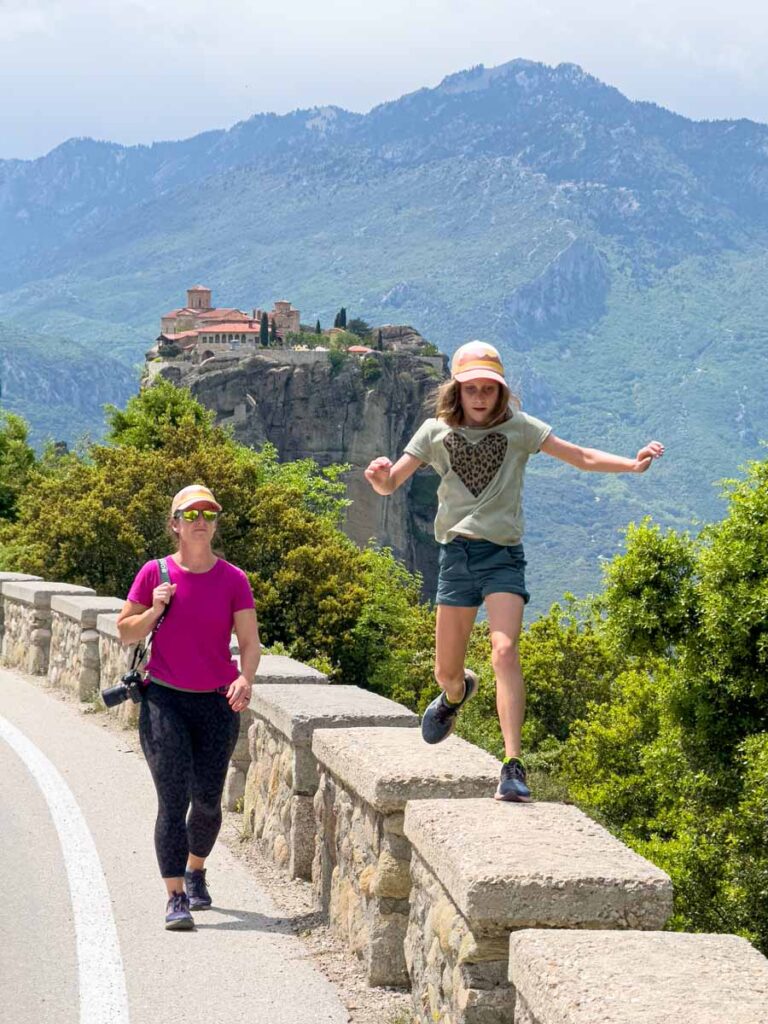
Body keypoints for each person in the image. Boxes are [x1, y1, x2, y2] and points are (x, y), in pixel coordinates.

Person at [364, 341, 664, 803]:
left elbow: (579, 456)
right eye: (471, 389)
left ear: (501, 393)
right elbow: (390, 485)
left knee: (504, 651)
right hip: (456, 558)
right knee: (446, 672)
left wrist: (632, 464)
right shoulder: (433, 433)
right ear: (457, 392)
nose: (480, 397)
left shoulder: (521, 429)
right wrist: (379, 474)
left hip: (503, 555)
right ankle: (456, 695)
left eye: (489, 389)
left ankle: (511, 765)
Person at [117, 484, 260, 930]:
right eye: (190, 513)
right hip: (164, 700)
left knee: (208, 804)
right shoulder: (154, 574)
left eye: (209, 513)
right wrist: (156, 609)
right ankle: (175, 895)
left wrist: (245, 678)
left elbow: (251, 644)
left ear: (215, 523)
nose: (201, 520)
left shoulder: (234, 579)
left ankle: (197, 869)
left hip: (217, 704)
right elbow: (126, 632)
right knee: (173, 799)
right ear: (175, 524)